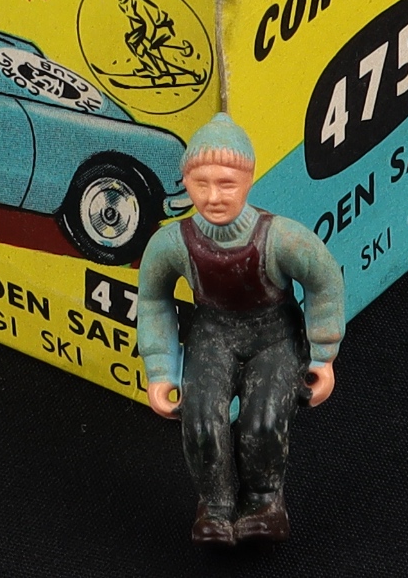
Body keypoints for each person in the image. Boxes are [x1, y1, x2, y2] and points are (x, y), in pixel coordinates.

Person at [136, 113, 344, 544]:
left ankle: (265, 505)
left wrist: (323, 355)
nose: (213, 197)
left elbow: (324, 280)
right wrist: (160, 369)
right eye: (201, 184)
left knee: (263, 423)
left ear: (248, 180)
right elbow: (154, 300)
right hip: (213, 336)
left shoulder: (281, 237)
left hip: (275, 336)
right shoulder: (171, 244)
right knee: (200, 423)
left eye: (227, 184)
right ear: (185, 183)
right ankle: (214, 506)